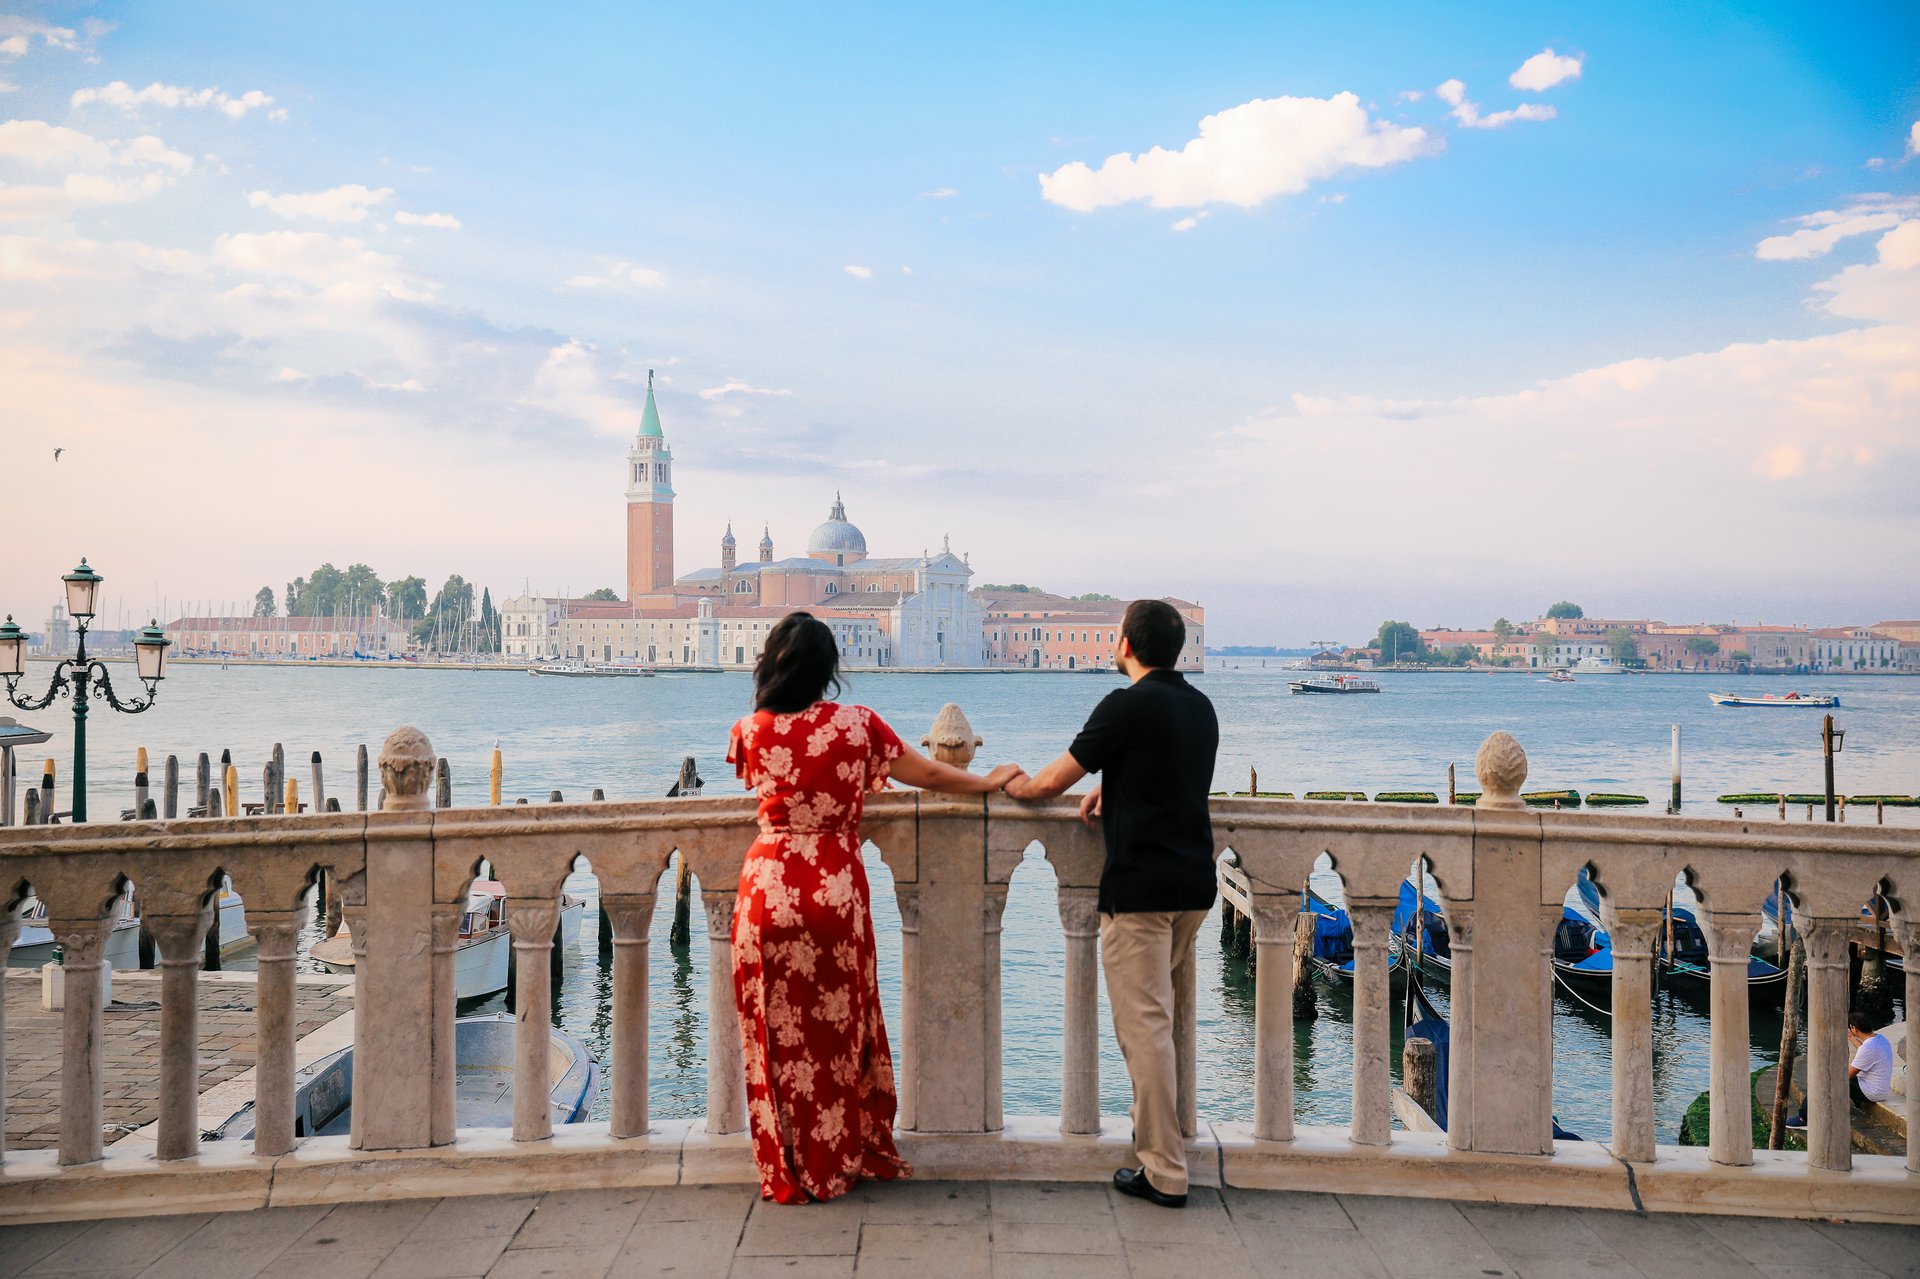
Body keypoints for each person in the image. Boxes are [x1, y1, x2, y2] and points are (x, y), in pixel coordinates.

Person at [728, 611, 1025, 1204]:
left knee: (775, 1034)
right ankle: (835, 1161)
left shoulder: (750, 730)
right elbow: (933, 774)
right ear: (828, 669)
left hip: (767, 891)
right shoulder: (858, 726)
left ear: (771, 664)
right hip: (834, 891)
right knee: (837, 1033)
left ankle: (784, 1163)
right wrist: (990, 781)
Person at [1004, 599, 1218, 1209]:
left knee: (1144, 1031)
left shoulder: (1124, 705)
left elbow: (1049, 783)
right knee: (1162, 1022)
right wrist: (1114, 786)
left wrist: (1010, 781)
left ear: (1123, 645)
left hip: (1141, 892)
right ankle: (1161, 1147)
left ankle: (1164, 1172)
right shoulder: (1199, 707)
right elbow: (1170, 775)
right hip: (1193, 886)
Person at [1785, 1009, 1894, 1130]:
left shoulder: (1868, 1048)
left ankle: (1804, 1119)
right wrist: (1852, 1038)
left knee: (1824, 1081)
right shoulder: (1880, 1039)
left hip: (1872, 1091)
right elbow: (1865, 1050)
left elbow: (1848, 1075)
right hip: (1878, 1087)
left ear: (1853, 1028)